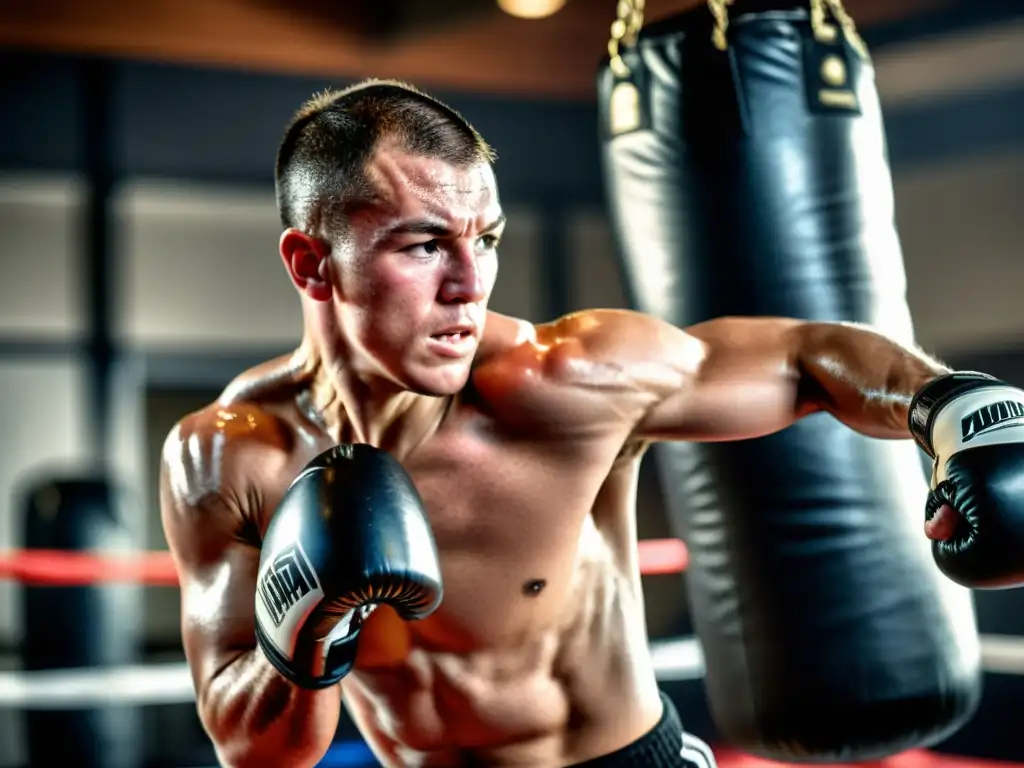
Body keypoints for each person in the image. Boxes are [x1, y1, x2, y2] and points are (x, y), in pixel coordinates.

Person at [160, 79, 1024, 768]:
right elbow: (255, 748)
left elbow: (804, 356)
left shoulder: (561, 385)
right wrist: (301, 634)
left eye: (486, 239)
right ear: (313, 263)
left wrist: (958, 409)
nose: (470, 284)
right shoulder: (228, 458)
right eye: (424, 246)